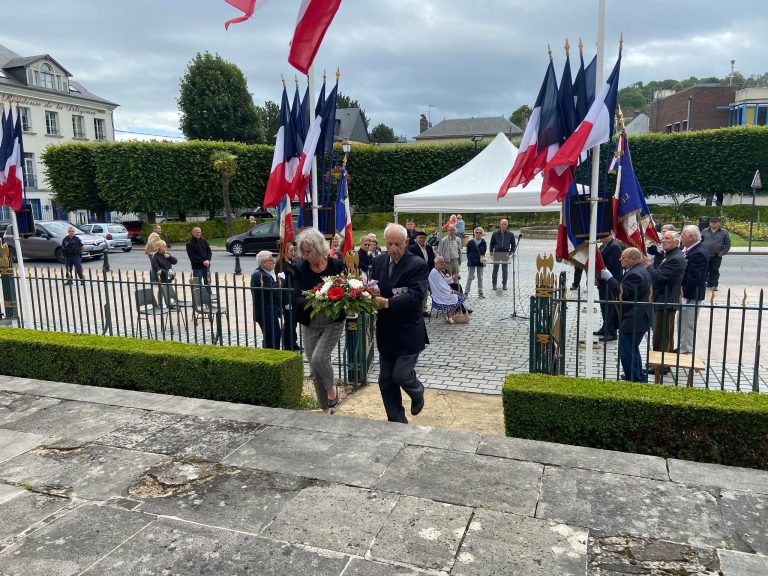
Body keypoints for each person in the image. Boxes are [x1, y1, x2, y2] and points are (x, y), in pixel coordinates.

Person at [371, 223, 428, 423]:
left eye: (397, 244)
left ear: (406, 242)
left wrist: (387, 303)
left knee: (401, 376)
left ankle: (417, 390)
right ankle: (397, 423)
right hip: (386, 332)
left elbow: (416, 295)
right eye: (389, 244)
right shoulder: (378, 261)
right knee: (385, 381)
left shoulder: (417, 264)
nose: (393, 249)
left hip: (408, 332)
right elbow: (374, 286)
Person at [294, 228, 346, 412]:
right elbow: (296, 297)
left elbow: (345, 291)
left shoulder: (337, 265)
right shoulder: (299, 267)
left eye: (309, 251)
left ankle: (332, 388)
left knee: (319, 358)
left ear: (318, 248)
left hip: (333, 320)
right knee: (315, 371)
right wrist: (315, 298)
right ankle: (326, 410)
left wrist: (333, 299)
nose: (305, 255)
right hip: (310, 322)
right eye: (304, 251)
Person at [600, 247, 652, 382]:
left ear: (633, 259)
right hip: (637, 316)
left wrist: (609, 278)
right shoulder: (637, 270)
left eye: (623, 257)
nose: (620, 259)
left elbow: (623, 293)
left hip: (635, 317)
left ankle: (633, 378)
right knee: (632, 348)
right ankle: (638, 374)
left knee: (627, 351)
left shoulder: (635, 274)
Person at [642, 231, 686, 355]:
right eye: (663, 238)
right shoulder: (671, 255)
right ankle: (664, 363)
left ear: (676, 242)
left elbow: (658, 278)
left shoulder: (675, 258)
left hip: (666, 300)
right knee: (665, 334)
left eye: (667, 239)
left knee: (661, 335)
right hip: (664, 299)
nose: (663, 241)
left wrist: (648, 265)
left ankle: (660, 365)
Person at [678, 225, 709, 354]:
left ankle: (686, 349)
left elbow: (694, 277)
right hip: (687, 293)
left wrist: (684, 294)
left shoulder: (699, 252)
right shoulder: (689, 249)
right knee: (682, 322)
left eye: (682, 236)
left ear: (691, 237)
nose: (681, 238)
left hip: (691, 295)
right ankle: (682, 346)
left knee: (688, 323)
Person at [595, 233, 623, 342]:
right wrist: (597, 277)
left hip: (611, 282)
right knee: (604, 306)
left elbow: (612, 267)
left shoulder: (614, 247)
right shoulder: (603, 246)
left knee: (610, 307)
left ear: (611, 234)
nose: (600, 236)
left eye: (603, 234)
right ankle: (605, 327)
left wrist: (601, 276)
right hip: (603, 281)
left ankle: (611, 332)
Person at [251, 250, 281, 350]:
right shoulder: (260, 275)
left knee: (273, 336)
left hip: (269, 312)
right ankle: (272, 356)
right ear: (264, 263)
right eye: (271, 260)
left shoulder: (263, 273)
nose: (273, 262)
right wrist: (280, 281)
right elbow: (273, 292)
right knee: (272, 338)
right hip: (266, 313)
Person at [429, 256, 466, 323]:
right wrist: (453, 291)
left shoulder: (438, 271)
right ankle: (450, 314)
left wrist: (453, 277)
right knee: (460, 297)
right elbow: (441, 287)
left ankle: (450, 313)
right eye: (440, 262)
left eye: (443, 262)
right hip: (439, 295)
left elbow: (444, 282)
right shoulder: (434, 273)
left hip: (442, 293)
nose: (443, 264)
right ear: (436, 263)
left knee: (460, 295)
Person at [279, 242, 301, 351]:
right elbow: (282, 285)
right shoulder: (281, 265)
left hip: (295, 297)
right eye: (291, 251)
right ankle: (288, 344)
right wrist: (286, 302)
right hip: (288, 298)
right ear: (284, 252)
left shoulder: (293, 262)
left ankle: (294, 342)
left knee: (294, 322)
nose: (293, 253)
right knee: (289, 323)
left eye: (294, 250)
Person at [408, 230, 436, 316]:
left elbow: (432, 260)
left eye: (423, 238)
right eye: (420, 238)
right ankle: (417, 309)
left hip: (428, 272)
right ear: (416, 239)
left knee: (426, 291)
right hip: (417, 273)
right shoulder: (412, 248)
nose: (422, 239)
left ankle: (423, 309)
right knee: (419, 291)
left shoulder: (429, 248)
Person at [701, 216, 730, 291]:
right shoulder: (704, 231)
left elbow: (728, 243)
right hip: (705, 255)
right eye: (712, 222)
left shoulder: (724, 232)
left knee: (714, 270)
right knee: (704, 269)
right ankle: (703, 283)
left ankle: (713, 284)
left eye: (715, 222)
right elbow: (700, 241)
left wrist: (723, 252)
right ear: (709, 223)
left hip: (717, 255)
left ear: (719, 223)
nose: (713, 224)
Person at [489, 218, 516, 291]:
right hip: (497, 253)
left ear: (507, 225)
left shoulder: (510, 234)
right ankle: (494, 284)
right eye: (502, 224)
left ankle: (504, 284)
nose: (503, 225)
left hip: (505, 254)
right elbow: (491, 244)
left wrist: (510, 252)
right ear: (500, 225)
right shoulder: (495, 234)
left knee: (505, 270)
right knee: (495, 270)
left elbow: (513, 245)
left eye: (505, 224)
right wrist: (491, 254)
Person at [465, 227, 486, 298]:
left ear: (482, 234)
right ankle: (466, 292)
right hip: (472, 260)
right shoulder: (470, 242)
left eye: (480, 233)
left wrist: (483, 260)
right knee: (470, 276)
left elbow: (484, 252)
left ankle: (480, 291)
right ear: (474, 233)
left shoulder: (483, 242)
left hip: (480, 260)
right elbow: (468, 252)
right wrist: (470, 259)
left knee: (480, 277)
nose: (478, 234)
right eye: (477, 232)